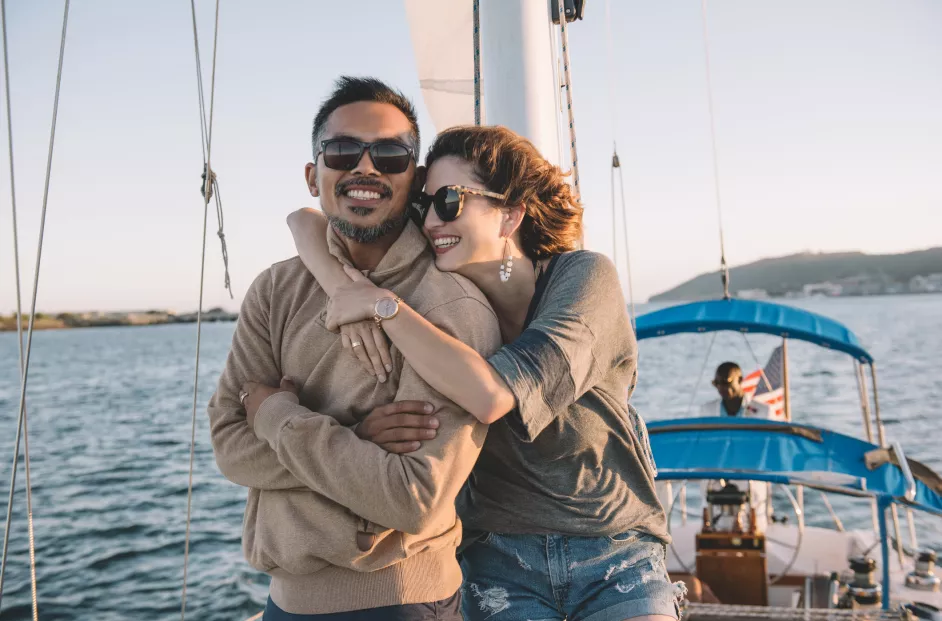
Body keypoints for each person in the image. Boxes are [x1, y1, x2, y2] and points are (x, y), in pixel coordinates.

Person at [287, 125, 678, 621]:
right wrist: (338, 284)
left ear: (510, 214)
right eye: (422, 206)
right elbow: (304, 220)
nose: (429, 222)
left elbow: (493, 394)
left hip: (613, 549)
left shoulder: (583, 278)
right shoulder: (452, 306)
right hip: (498, 557)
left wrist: (381, 305)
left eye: (449, 201)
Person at [208, 76, 502, 620]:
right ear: (312, 174)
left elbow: (410, 499)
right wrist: (356, 436)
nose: (365, 167)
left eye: (390, 155)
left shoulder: (448, 308)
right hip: (283, 604)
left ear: (414, 180)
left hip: (403, 602)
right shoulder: (275, 290)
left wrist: (273, 412)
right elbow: (229, 444)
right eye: (343, 150)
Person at [699, 362, 773, 418]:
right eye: (716, 383)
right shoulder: (706, 410)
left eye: (726, 382)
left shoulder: (763, 411)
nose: (720, 387)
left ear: (740, 380)